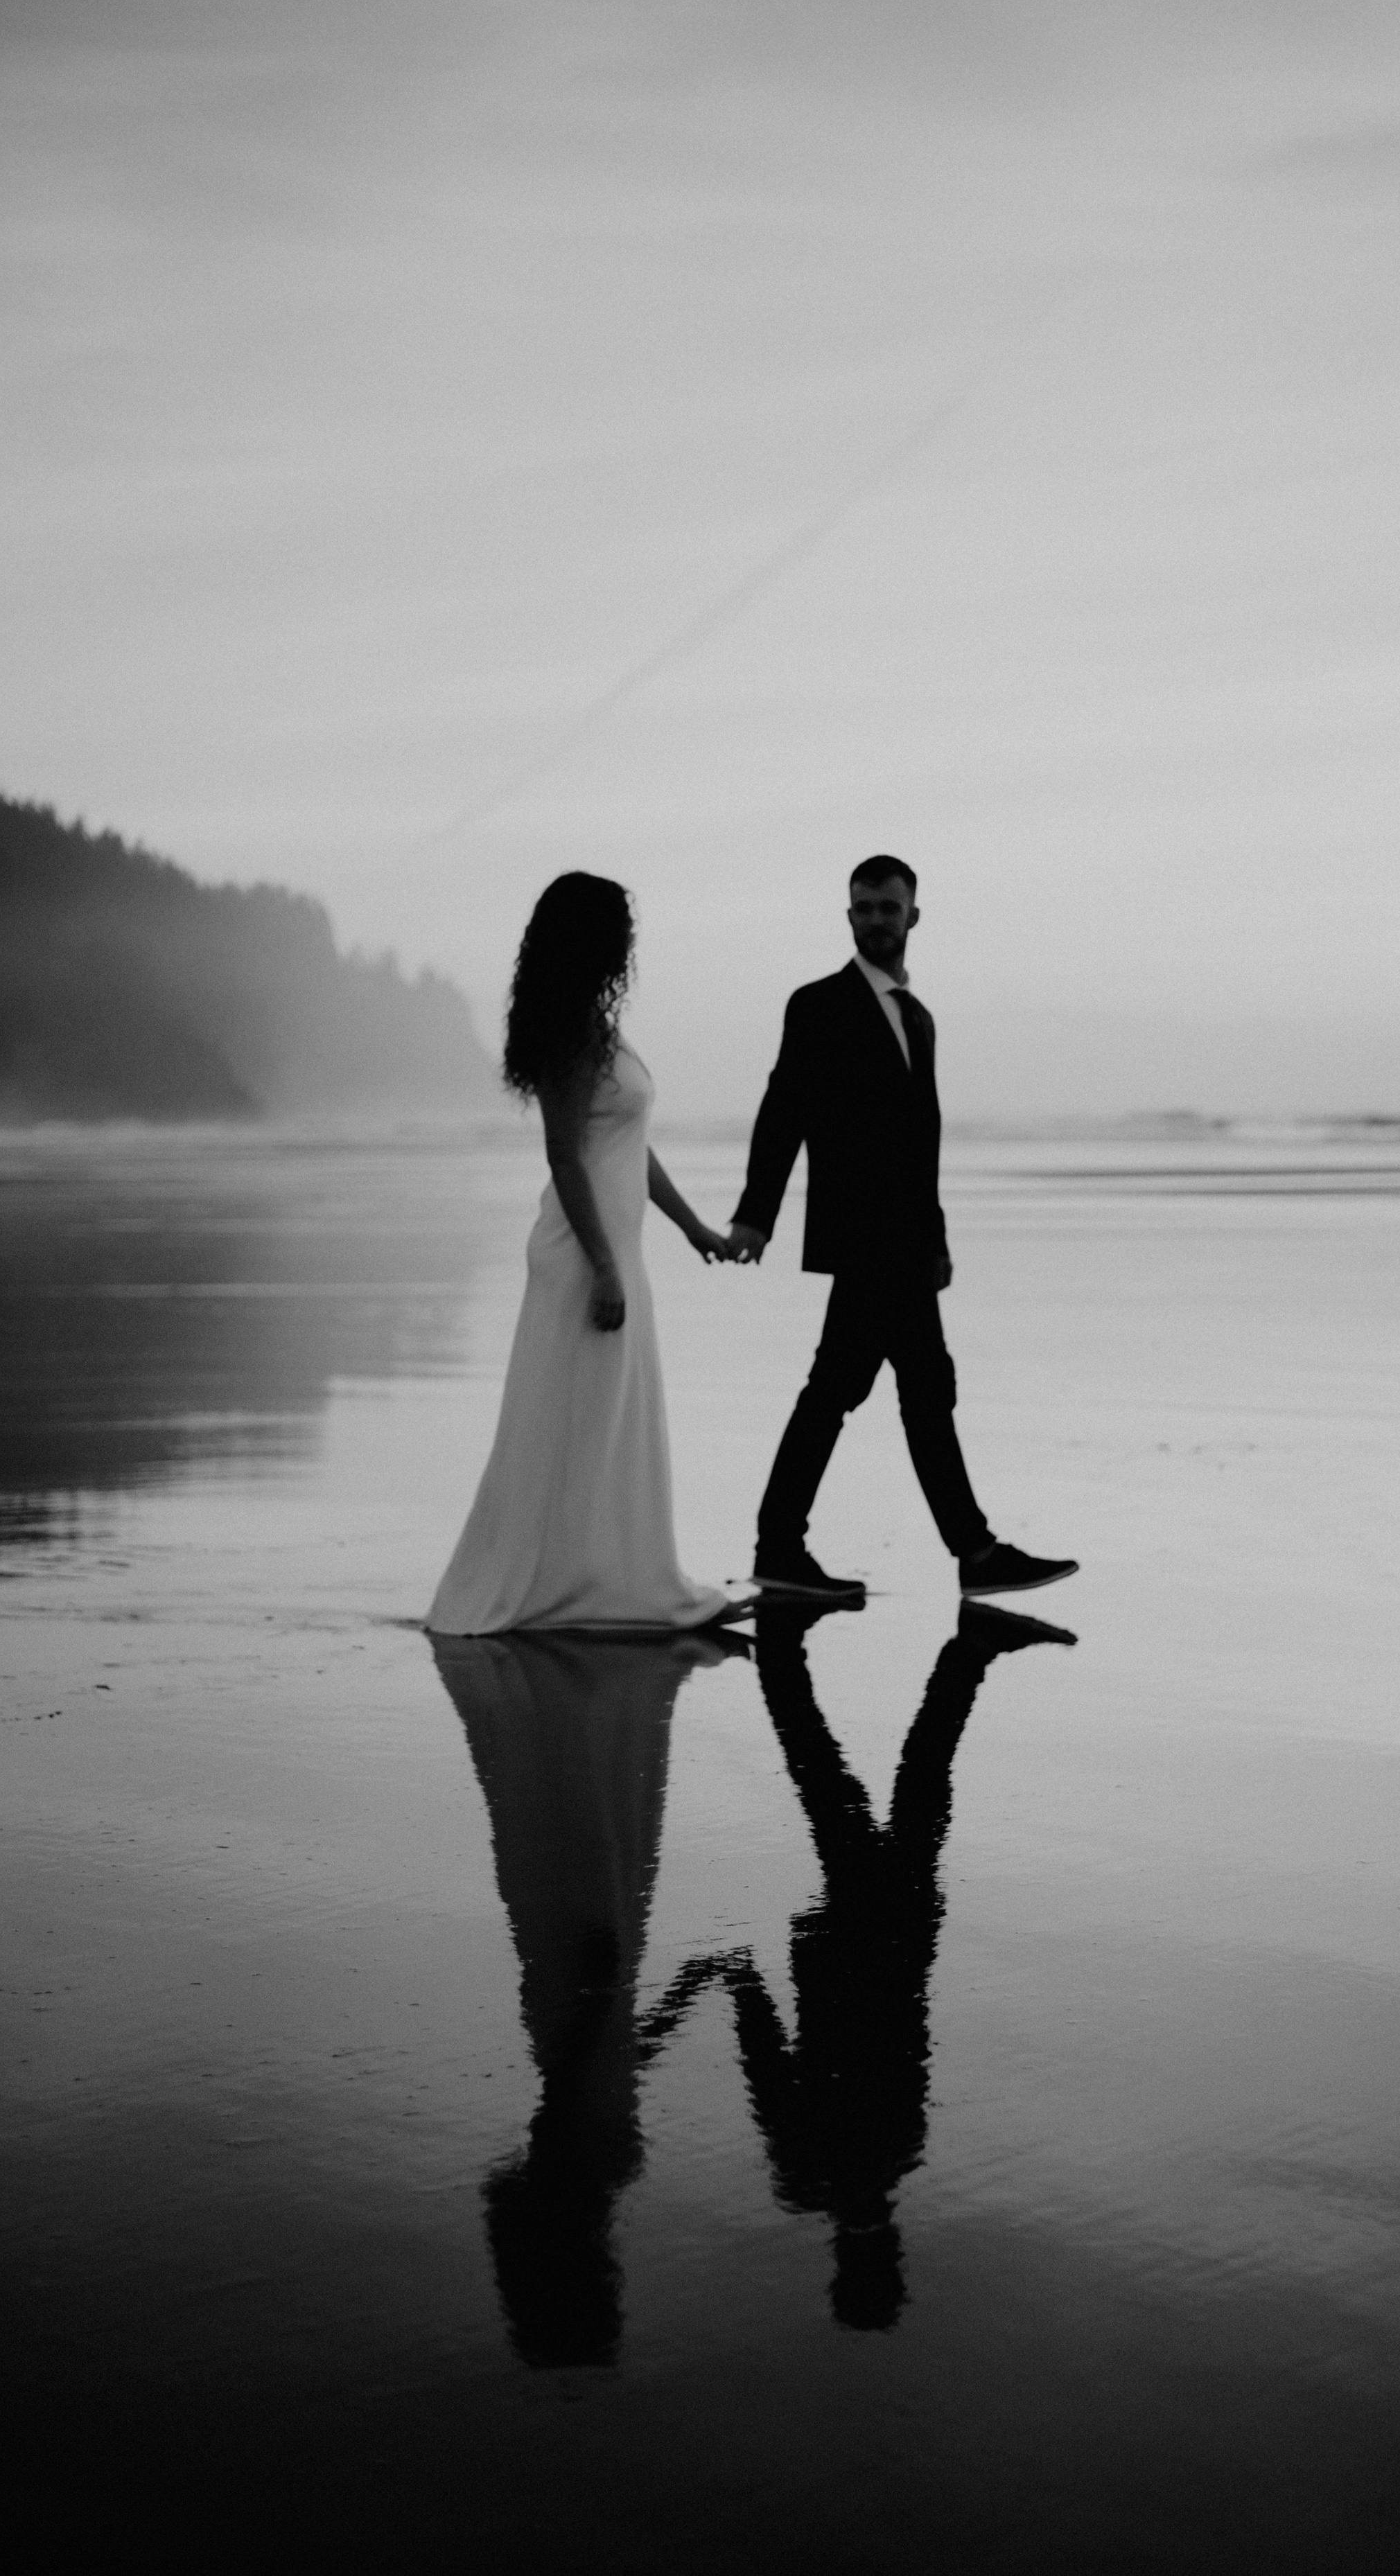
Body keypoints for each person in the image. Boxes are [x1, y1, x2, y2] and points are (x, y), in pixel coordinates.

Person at [728, 854, 1078, 1601]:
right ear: (848, 916)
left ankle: (961, 1552)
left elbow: (921, 1143)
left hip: (906, 1242)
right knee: (863, 1388)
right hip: (862, 1239)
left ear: (913, 915)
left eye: (889, 908)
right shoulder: (817, 1004)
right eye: (863, 908)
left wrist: (938, 1236)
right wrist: (756, 1214)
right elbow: (783, 1109)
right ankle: (802, 1547)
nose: (877, 920)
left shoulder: (918, 1018)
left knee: (905, 1390)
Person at [723, 1597, 1075, 2329]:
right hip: (852, 1945)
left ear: (889, 2251)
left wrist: (749, 1984)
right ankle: (935, 1652)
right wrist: (741, 1981)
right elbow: (772, 2062)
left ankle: (964, 1651)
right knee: (830, 1775)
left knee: (904, 1781)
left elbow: (905, 2033)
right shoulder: (813, 2170)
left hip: (892, 1939)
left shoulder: (891, 2153)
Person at [426, 870, 738, 1634]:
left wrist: (692, 1226)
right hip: (582, 1253)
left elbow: (629, 1146)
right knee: (573, 1422)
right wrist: (602, 1266)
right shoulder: (567, 1033)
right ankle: (556, 1590)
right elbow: (566, 1158)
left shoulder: (599, 1028)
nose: (626, 942)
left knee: (610, 1422)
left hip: (614, 1249)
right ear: (590, 941)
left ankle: (611, 1578)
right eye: (616, 929)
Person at [431, 1626, 747, 2364]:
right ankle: (565, 1699)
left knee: (579, 1834)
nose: (619, 2274)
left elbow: (575, 2086)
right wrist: (689, 1989)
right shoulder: (585, 2182)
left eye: (603, 2285)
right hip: (583, 1999)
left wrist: (610, 1987)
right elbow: (616, 2067)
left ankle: (563, 1699)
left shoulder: (575, 2174)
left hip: (578, 1991)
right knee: (589, 1834)